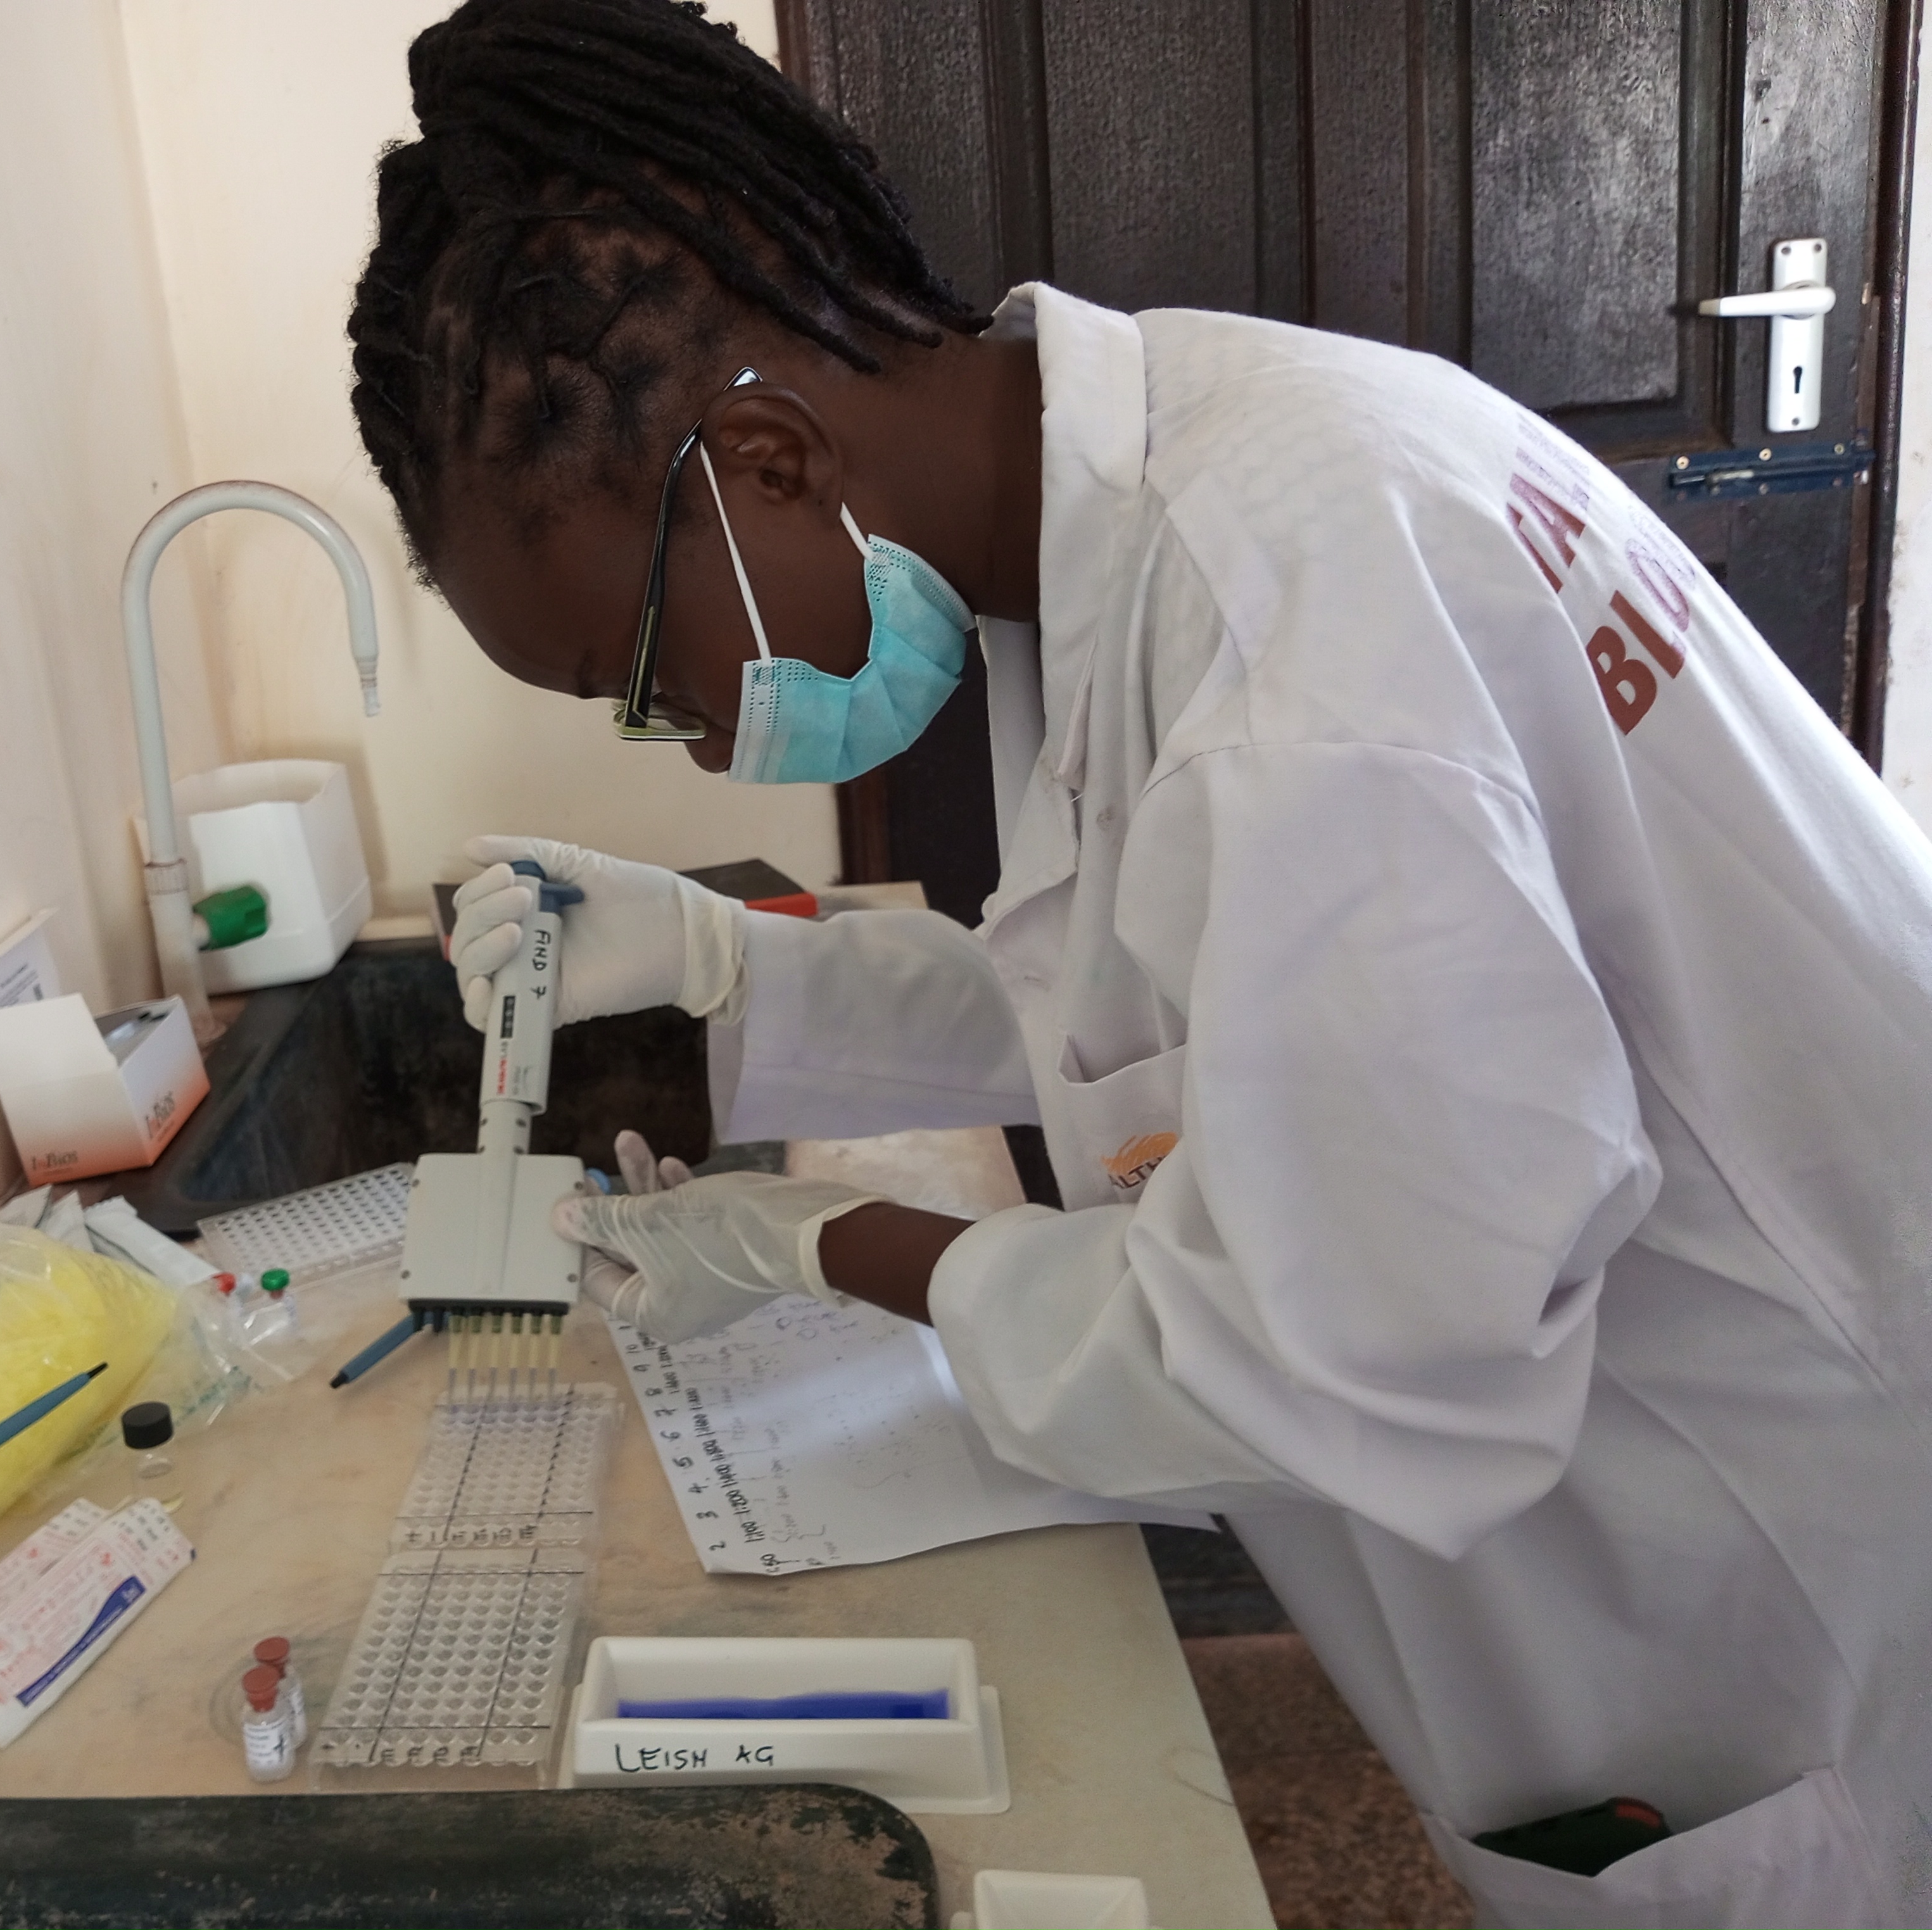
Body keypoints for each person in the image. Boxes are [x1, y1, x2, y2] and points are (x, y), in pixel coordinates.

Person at [346, 2, 1932, 1921]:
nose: (683, 742)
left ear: (763, 457)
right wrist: (718, 962)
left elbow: (1349, 1358)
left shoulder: (1291, 660)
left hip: (1801, 1541)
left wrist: (815, 1248)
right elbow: (1172, 1016)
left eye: (640, 674)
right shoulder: (1180, 470)